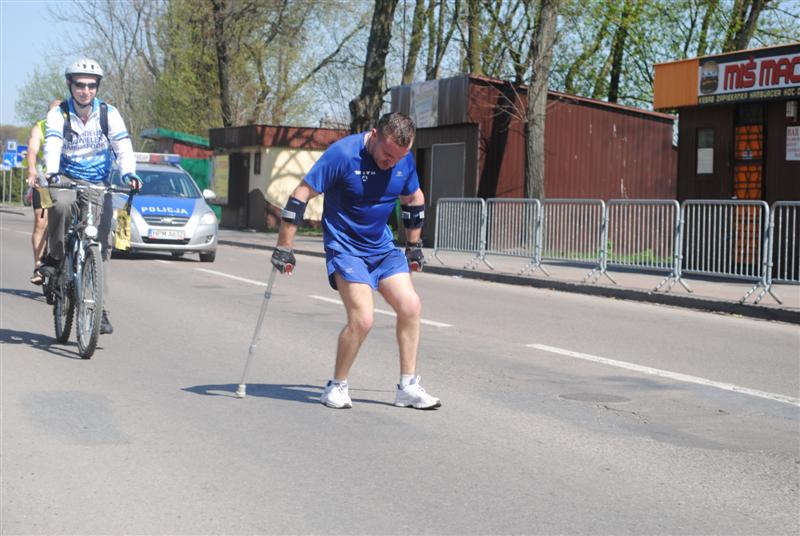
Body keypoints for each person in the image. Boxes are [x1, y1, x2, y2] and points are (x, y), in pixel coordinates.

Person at [271, 112, 440, 410]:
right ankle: (336, 385)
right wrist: (285, 246)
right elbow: (301, 194)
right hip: (345, 247)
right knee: (363, 319)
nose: (391, 162)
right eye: (387, 154)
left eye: (398, 157)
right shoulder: (343, 154)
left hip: (382, 248)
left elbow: (413, 198)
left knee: (411, 306)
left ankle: (408, 387)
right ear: (374, 135)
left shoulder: (403, 160)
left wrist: (413, 247)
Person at [41, 58, 141, 335]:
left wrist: (129, 173)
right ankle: (56, 259)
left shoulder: (109, 114)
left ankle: (100, 307)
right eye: (80, 85)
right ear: (70, 85)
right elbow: (52, 144)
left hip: (97, 181)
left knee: (102, 244)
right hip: (65, 177)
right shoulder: (58, 114)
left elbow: (122, 147)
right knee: (60, 204)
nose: (85, 91)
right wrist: (51, 173)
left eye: (91, 86)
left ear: (97, 87)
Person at [25, 100, 61, 285]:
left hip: (67, 181)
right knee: (41, 221)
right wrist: (32, 170)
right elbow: (32, 150)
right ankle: (38, 265)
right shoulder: (40, 127)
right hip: (44, 181)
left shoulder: (71, 125)